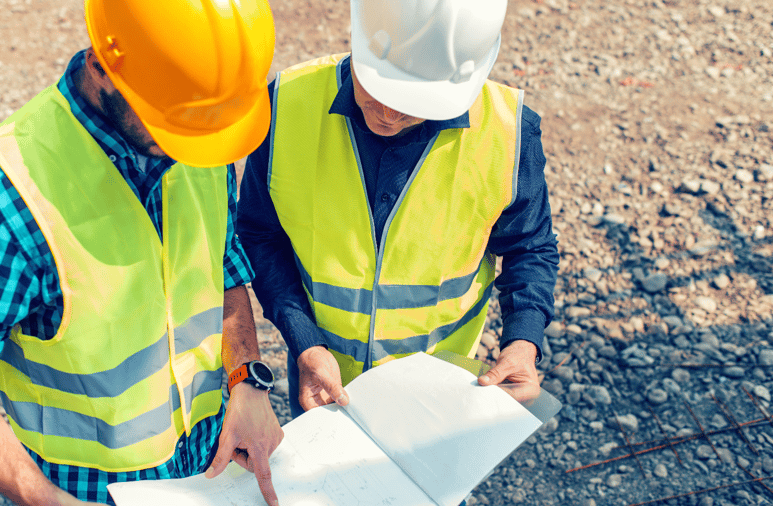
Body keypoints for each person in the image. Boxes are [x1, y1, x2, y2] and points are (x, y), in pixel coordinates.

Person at [0, 1, 284, 505]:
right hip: (84, 491)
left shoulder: (198, 132)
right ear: (102, 67)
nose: (192, 145)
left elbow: (223, 267)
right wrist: (44, 498)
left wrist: (246, 379)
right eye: (174, 124)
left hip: (207, 467)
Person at [238, 0, 560, 418]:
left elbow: (530, 247)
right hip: (323, 387)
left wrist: (522, 341)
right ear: (360, 38)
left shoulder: (507, 133)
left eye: (413, 103)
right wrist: (304, 341)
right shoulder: (286, 106)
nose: (389, 115)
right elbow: (260, 235)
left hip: (441, 393)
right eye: (378, 91)